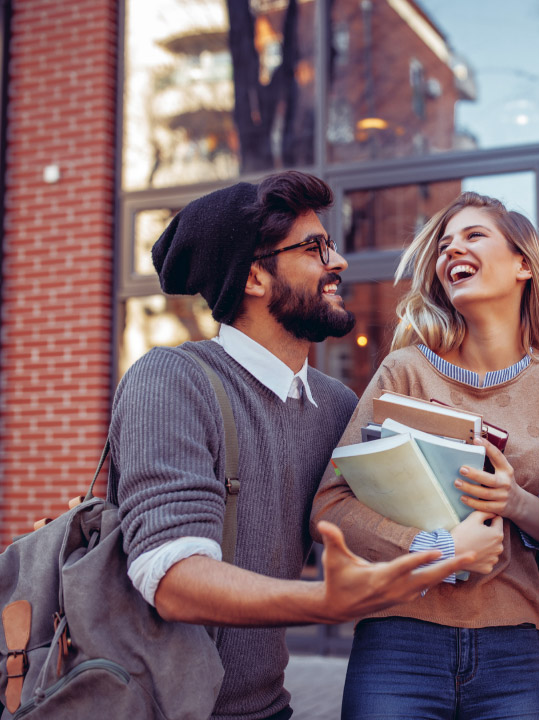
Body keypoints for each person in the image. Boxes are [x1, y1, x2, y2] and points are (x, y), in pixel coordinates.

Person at [108, 171, 471, 720]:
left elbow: (382, 527)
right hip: (153, 708)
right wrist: (323, 604)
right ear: (255, 277)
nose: (339, 262)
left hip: (266, 708)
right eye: (315, 247)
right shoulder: (171, 380)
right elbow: (172, 577)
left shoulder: (335, 405)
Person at [310, 192, 539, 719]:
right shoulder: (405, 372)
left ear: (522, 265)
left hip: (512, 650)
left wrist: (518, 504)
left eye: (473, 236)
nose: (452, 250)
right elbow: (330, 506)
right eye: (444, 243)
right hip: (398, 642)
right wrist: (440, 548)